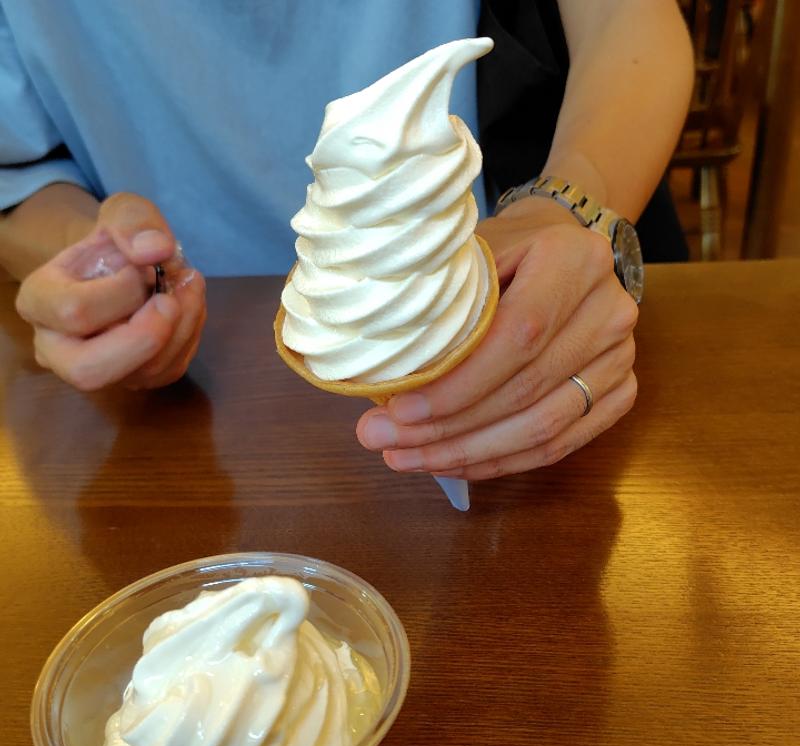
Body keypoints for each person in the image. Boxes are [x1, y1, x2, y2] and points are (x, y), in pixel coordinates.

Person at [0, 0, 693, 480]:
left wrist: (569, 202)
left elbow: (625, 22)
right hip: (192, 404)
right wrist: (96, 264)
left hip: (513, 321)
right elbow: (21, 173)